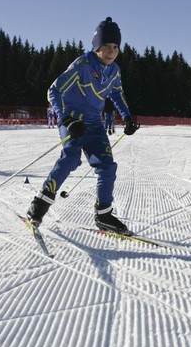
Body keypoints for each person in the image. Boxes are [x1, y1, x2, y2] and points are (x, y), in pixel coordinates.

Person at [27, 17, 139, 234]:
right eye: (106, 46)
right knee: (70, 159)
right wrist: (66, 119)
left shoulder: (114, 70)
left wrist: (127, 117)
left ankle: (104, 215)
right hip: (74, 120)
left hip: (95, 124)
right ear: (97, 46)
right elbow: (54, 91)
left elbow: (117, 93)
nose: (111, 51)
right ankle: (39, 205)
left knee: (107, 167)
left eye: (115, 47)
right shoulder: (83, 65)